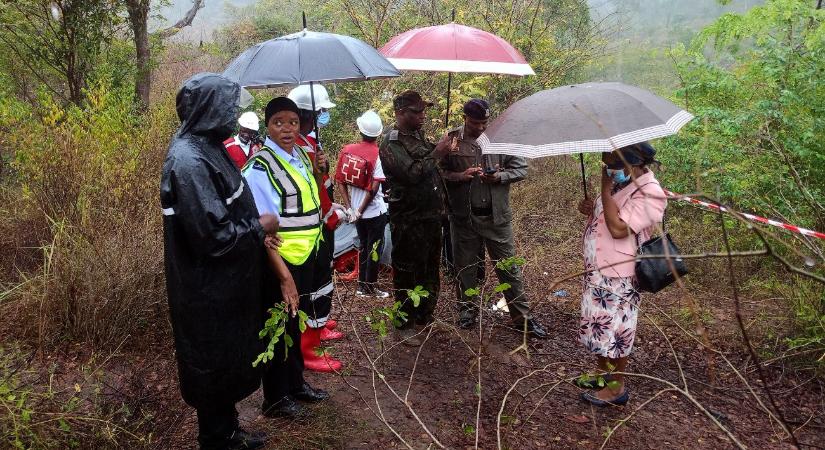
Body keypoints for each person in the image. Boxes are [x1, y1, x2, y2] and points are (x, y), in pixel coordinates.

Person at [160, 73, 273, 450]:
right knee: (211, 360)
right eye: (229, 108)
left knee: (226, 357)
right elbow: (213, 237)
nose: (235, 115)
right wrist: (259, 227)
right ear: (209, 110)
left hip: (224, 283)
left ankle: (228, 430)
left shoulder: (209, 146)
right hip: (205, 286)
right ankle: (217, 438)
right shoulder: (189, 160)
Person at [242, 97, 332, 418]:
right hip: (280, 262)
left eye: (293, 122)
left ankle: (295, 384)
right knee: (278, 324)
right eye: (279, 122)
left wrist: (320, 174)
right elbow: (263, 230)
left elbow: (307, 204)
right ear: (267, 126)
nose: (287, 129)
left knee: (294, 322)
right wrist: (284, 277)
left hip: (304, 255)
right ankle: (276, 398)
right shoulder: (260, 166)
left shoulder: (299, 158)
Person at [441, 99, 548, 339]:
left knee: (509, 268)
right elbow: (439, 171)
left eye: (484, 122)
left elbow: (521, 169)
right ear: (465, 118)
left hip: (496, 219)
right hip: (464, 218)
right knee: (465, 268)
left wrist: (499, 176)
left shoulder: (502, 138)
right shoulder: (452, 140)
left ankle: (522, 319)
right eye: (475, 122)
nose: (480, 127)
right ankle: (466, 311)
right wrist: (460, 175)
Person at [576, 143, 666, 407]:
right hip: (599, 270)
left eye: (613, 166)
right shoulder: (622, 185)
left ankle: (616, 388)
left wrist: (604, 189)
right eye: (606, 166)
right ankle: (603, 375)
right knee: (600, 326)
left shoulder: (652, 193)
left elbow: (618, 229)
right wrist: (592, 207)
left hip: (620, 274)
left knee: (618, 331)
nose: (609, 171)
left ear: (633, 164)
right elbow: (607, 214)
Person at [379, 90, 457, 346]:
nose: (423, 115)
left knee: (429, 268)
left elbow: (431, 169)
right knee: (407, 270)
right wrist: (438, 153)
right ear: (400, 113)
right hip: (408, 219)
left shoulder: (417, 136)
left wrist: (443, 151)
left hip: (431, 216)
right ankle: (404, 322)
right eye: (417, 111)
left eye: (424, 110)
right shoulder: (391, 142)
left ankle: (425, 315)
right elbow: (412, 173)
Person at [287, 84, 346, 371]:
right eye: (317, 113)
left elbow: (323, 184)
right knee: (314, 283)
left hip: (324, 224)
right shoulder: (293, 148)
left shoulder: (309, 144)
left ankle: (318, 328)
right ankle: (308, 348)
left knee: (323, 279)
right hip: (312, 229)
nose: (320, 118)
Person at [335, 110, 389, 298]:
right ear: (378, 134)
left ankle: (362, 286)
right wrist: (360, 210)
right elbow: (374, 188)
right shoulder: (378, 154)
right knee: (374, 249)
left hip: (357, 213)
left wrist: (351, 207)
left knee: (363, 247)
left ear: (360, 131)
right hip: (374, 212)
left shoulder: (347, 150)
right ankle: (370, 287)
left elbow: (340, 180)